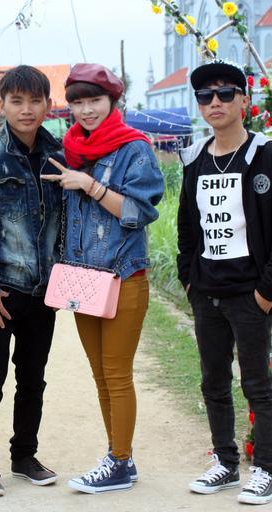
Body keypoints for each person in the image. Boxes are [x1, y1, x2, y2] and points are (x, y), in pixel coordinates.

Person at [176, 59, 272, 505]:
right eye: (205, 96)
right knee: (213, 383)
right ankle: (226, 464)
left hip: (251, 294)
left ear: (243, 101)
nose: (215, 102)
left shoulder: (268, 156)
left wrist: (266, 292)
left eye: (225, 93)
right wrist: (188, 279)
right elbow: (186, 226)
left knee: (257, 385)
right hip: (206, 291)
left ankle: (266, 470)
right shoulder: (194, 159)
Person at [42, 63, 164, 494]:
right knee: (100, 375)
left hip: (123, 277)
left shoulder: (135, 149)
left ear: (113, 101)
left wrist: (90, 186)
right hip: (83, 281)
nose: (86, 110)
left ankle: (120, 462)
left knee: (117, 373)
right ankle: (117, 455)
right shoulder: (70, 149)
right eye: (78, 102)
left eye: (94, 100)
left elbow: (139, 212)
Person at [0, 65, 65, 497]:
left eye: (34, 101)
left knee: (33, 379)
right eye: (16, 101)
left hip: (41, 293)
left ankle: (24, 455)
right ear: (1, 105)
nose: (26, 109)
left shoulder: (59, 156)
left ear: (48, 105)